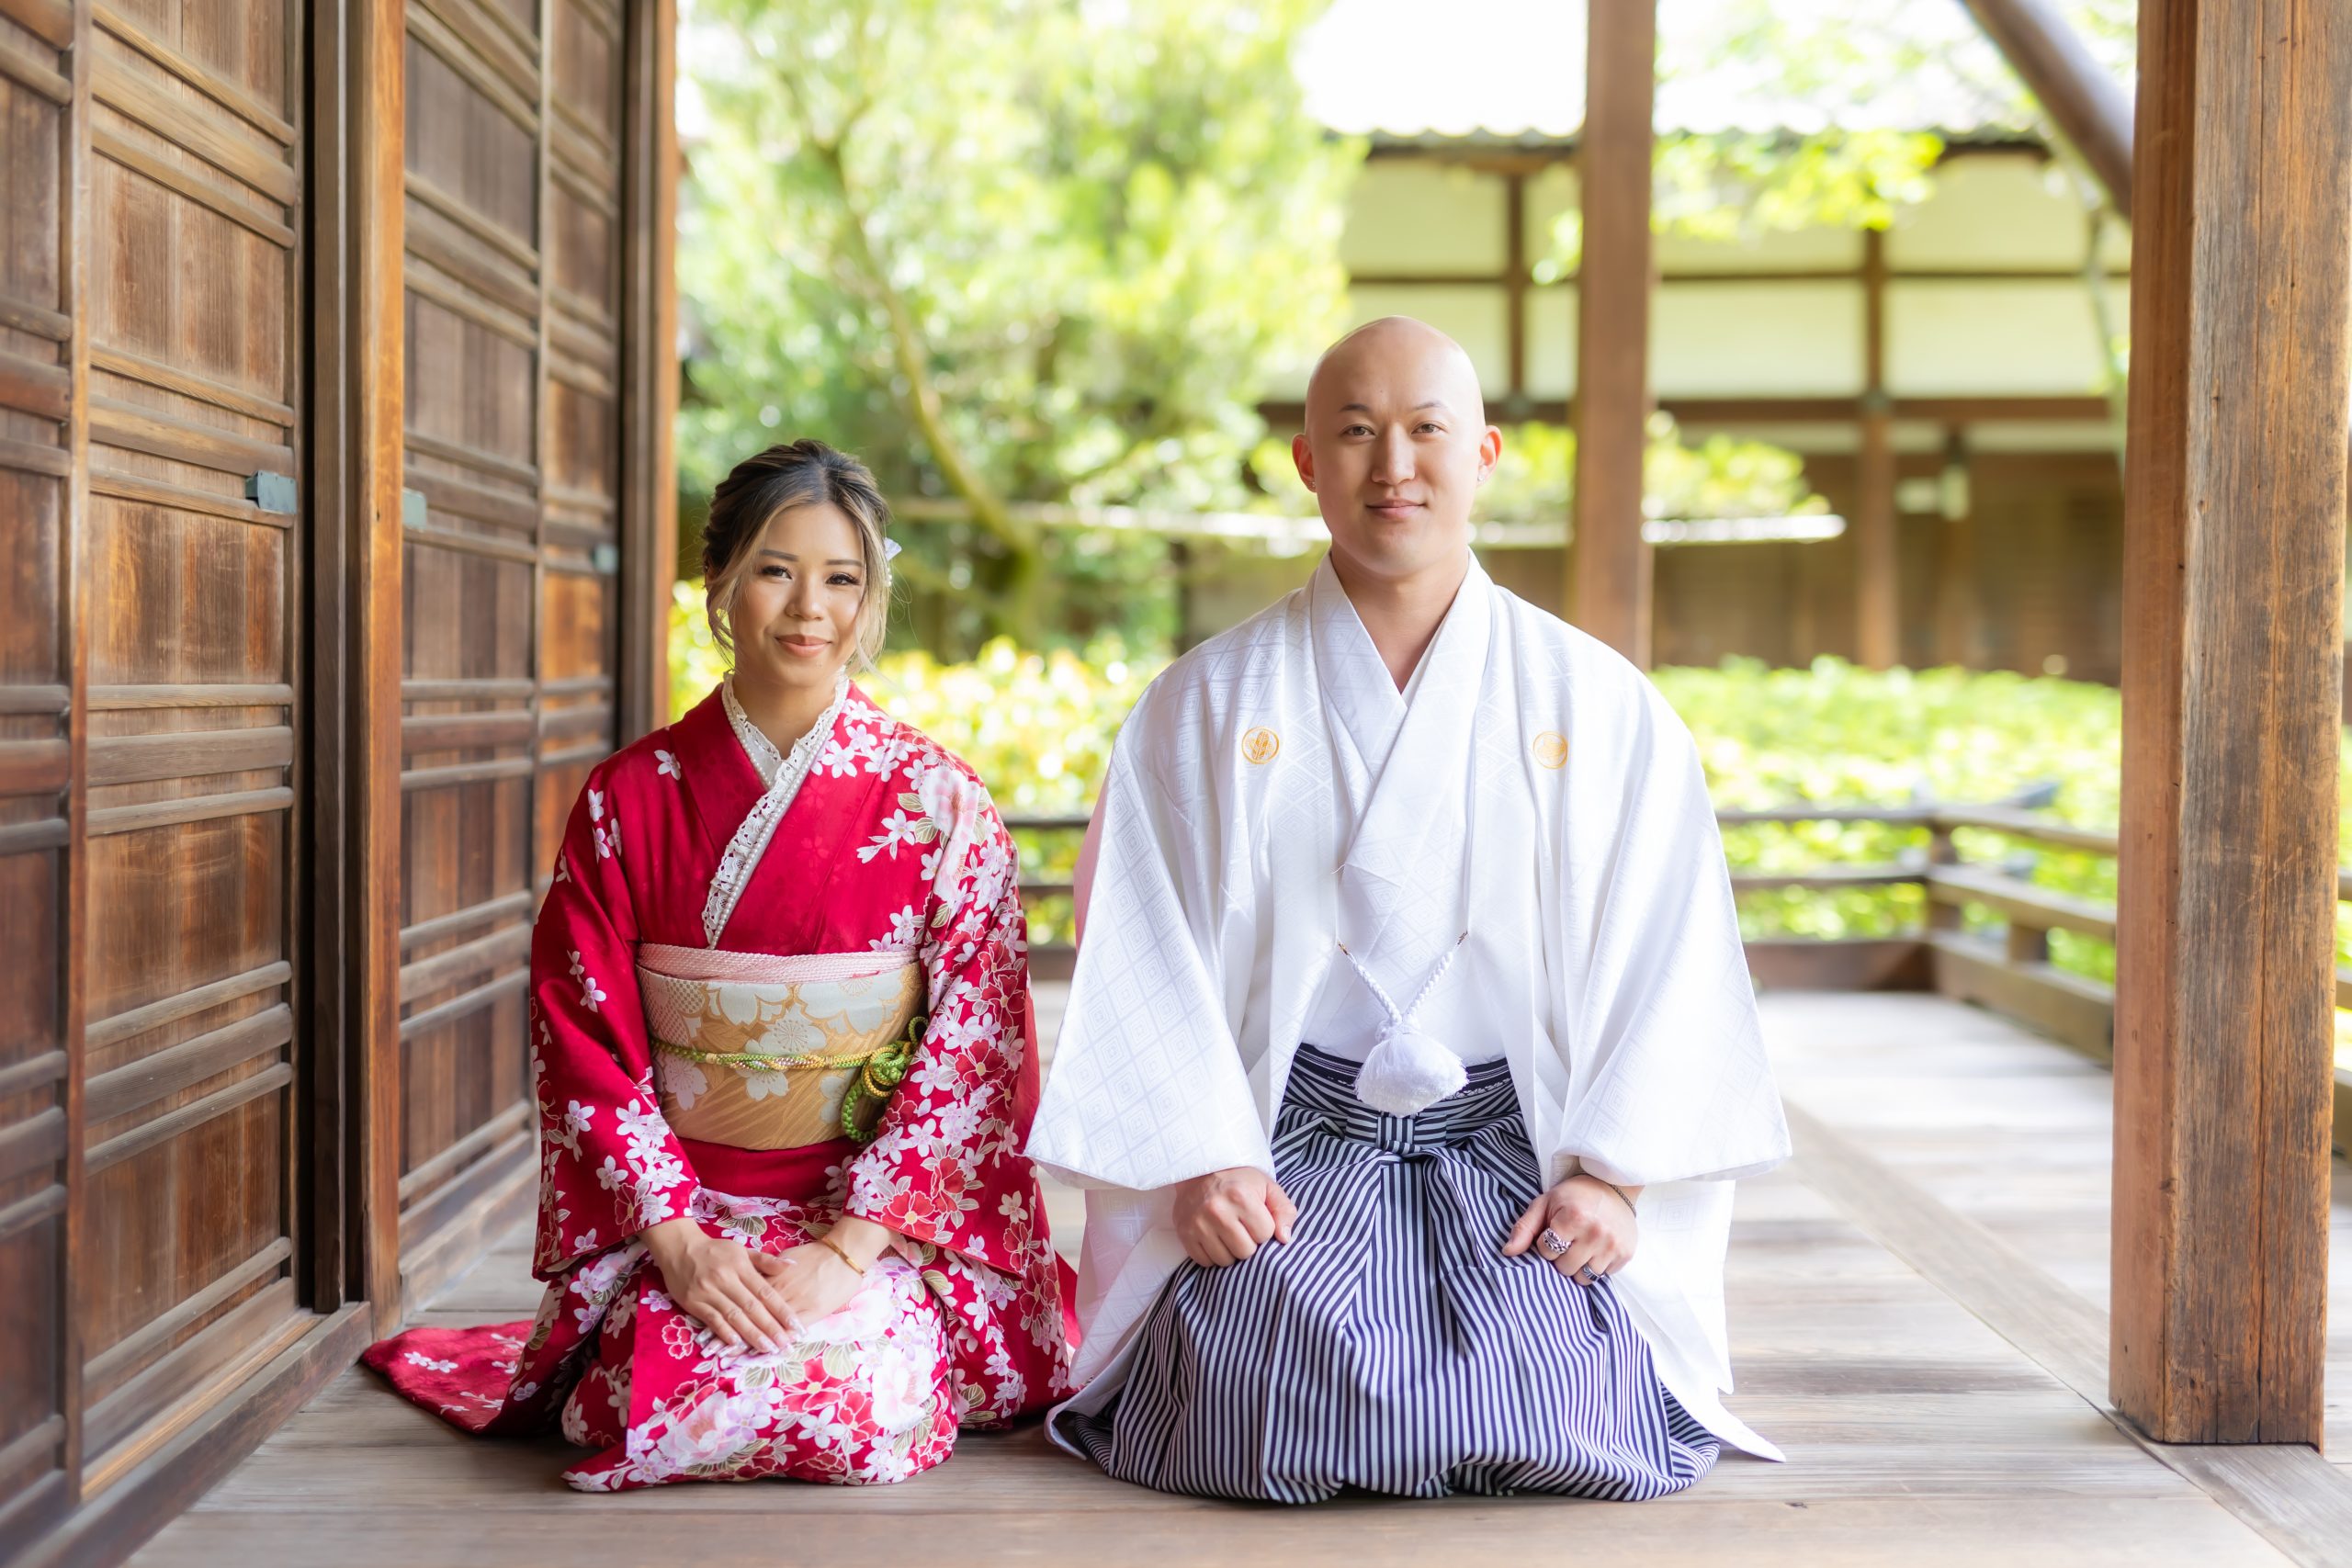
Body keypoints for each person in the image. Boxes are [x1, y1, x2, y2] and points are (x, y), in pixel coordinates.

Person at [1028, 318, 1791, 1503]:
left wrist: (1614, 1180)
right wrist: (1195, 1162)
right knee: (1261, 1390)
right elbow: (1140, 950)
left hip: (1516, 1154)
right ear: (1304, 464)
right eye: (1355, 433)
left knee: (1541, 1391)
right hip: (1285, 1153)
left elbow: (1670, 953)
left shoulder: (1597, 703)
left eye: (1426, 430)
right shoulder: (1203, 704)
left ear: (1483, 454)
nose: (1394, 466)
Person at [367, 439, 1073, 1490]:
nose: (808, 609)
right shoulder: (628, 796)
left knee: (862, 1414)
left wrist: (847, 1249)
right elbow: (584, 1039)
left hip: (867, 1222)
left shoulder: (938, 800)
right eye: (775, 571)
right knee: (657, 1397)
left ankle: (874, 1320)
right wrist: (680, 1241)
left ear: (871, 596)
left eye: (841, 579)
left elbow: (975, 1040)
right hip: (690, 1210)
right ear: (721, 583)